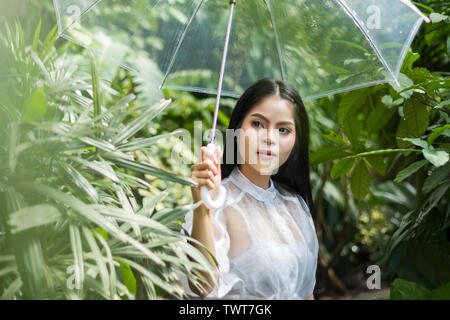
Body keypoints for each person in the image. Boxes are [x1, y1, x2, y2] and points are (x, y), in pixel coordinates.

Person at [180, 78, 319, 300]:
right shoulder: (217, 203)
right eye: (257, 124)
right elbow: (202, 286)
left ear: (296, 140)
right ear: (237, 128)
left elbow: (305, 293)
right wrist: (203, 209)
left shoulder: (294, 204)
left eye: (283, 129)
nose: (269, 139)